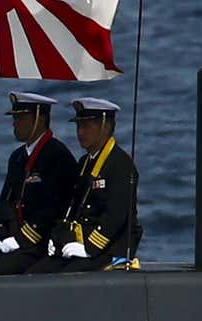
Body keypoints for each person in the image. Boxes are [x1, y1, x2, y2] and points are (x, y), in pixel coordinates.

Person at [0, 91, 77, 276]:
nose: (14, 124)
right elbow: (5, 203)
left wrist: (19, 240)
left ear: (39, 120)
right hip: (15, 243)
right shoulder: (17, 157)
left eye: (21, 118)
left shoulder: (57, 156)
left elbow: (52, 209)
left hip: (40, 244)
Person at [27, 97, 140, 274]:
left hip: (107, 249)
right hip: (79, 244)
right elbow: (73, 207)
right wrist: (57, 238)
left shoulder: (120, 165)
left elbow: (115, 216)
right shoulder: (85, 163)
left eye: (87, 126)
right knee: (34, 274)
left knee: (62, 278)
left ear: (106, 127)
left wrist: (88, 247)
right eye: (79, 126)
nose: (81, 132)